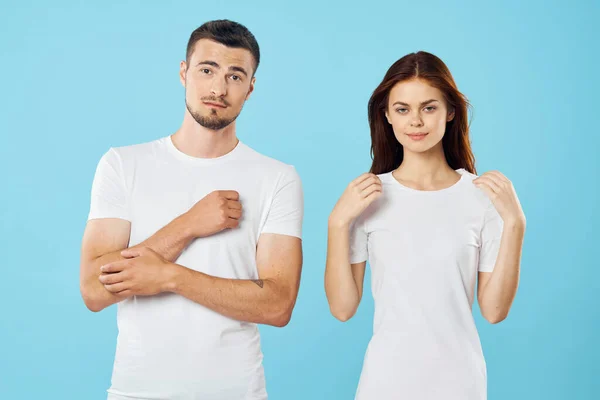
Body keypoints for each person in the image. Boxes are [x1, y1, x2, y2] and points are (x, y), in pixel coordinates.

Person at [79, 20, 303, 400]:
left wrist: (170, 277)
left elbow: (278, 305)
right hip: (137, 391)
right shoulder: (122, 164)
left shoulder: (277, 178)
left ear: (250, 88)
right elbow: (94, 290)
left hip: (236, 392)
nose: (218, 88)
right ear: (184, 73)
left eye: (235, 76)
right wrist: (189, 224)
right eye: (206, 70)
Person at [325, 51, 525, 400]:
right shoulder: (366, 198)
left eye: (428, 107)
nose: (415, 121)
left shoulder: (480, 199)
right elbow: (343, 309)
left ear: (450, 112)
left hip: (460, 383)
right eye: (402, 109)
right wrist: (337, 223)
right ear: (386, 115)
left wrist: (515, 224)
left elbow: (494, 311)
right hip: (384, 384)